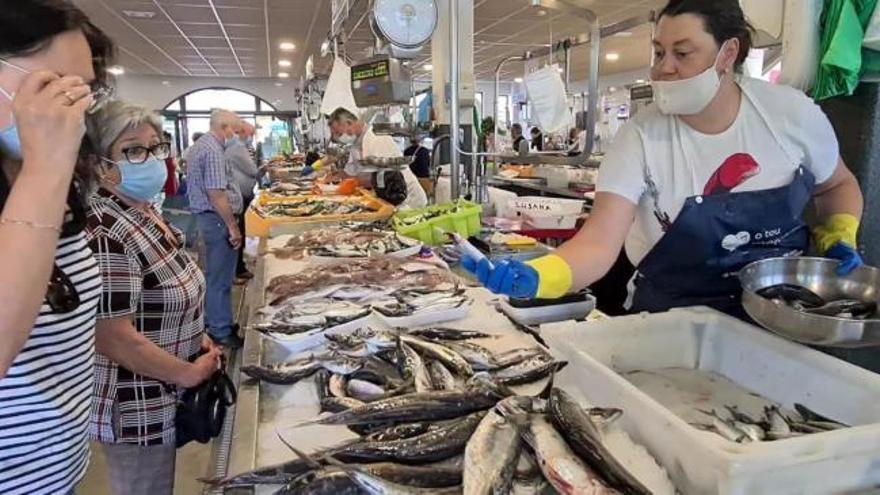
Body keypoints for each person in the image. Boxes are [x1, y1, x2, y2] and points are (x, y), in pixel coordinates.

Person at [464, 0, 864, 320]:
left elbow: (837, 186)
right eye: (658, 52)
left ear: (727, 53)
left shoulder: (790, 115)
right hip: (671, 315)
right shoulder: (640, 136)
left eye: (682, 53)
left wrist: (839, 234)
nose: (663, 68)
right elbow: (599, 244)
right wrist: (541, 275)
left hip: (778, 313)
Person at [0, 2, 115, 493]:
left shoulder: (51, 184)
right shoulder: (43, 176)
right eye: (55, 85)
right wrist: (45, 169)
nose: (78, 107)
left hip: (58, 466)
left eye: (86, 90)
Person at [84, 100, 221, 495]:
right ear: (98, 163)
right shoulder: (104, 228)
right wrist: (188, 372)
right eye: (133, 150)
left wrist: (199, 337)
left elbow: (164, 290)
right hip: (135, 405)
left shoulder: (139, 210)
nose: (151, 159)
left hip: (165, 392)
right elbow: (111, 335)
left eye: (156, 146)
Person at [186, 109, 244, 348]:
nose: (236, 135)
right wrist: (233, 226)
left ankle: (215, 321)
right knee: (220, 278)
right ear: (224, 127)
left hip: (209, 219)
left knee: (213, 275)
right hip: (217, 219)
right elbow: (216, 194)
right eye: (235, 130)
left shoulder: (200, 146)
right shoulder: (212, 151)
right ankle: (221, 330)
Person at [326, 107, 427, 209]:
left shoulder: (377, 138)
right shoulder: (356, 144)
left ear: (349, 123)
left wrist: (354, 181)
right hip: (388, 198)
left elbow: (380, 177)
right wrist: (337, 175)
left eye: (339, 134)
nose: (338, 138)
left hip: (407, 199)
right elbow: (350, 173)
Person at [226, 120, 258, 282]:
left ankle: (238, 267)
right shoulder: (237, 148)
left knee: (239, 232)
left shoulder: (236, 147)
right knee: (239, 232)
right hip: (240, 196)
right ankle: (237, 269)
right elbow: (252, 170)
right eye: (250, 134)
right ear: (241, 132)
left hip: (241, 193)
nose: (251, 137)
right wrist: (261, 169)